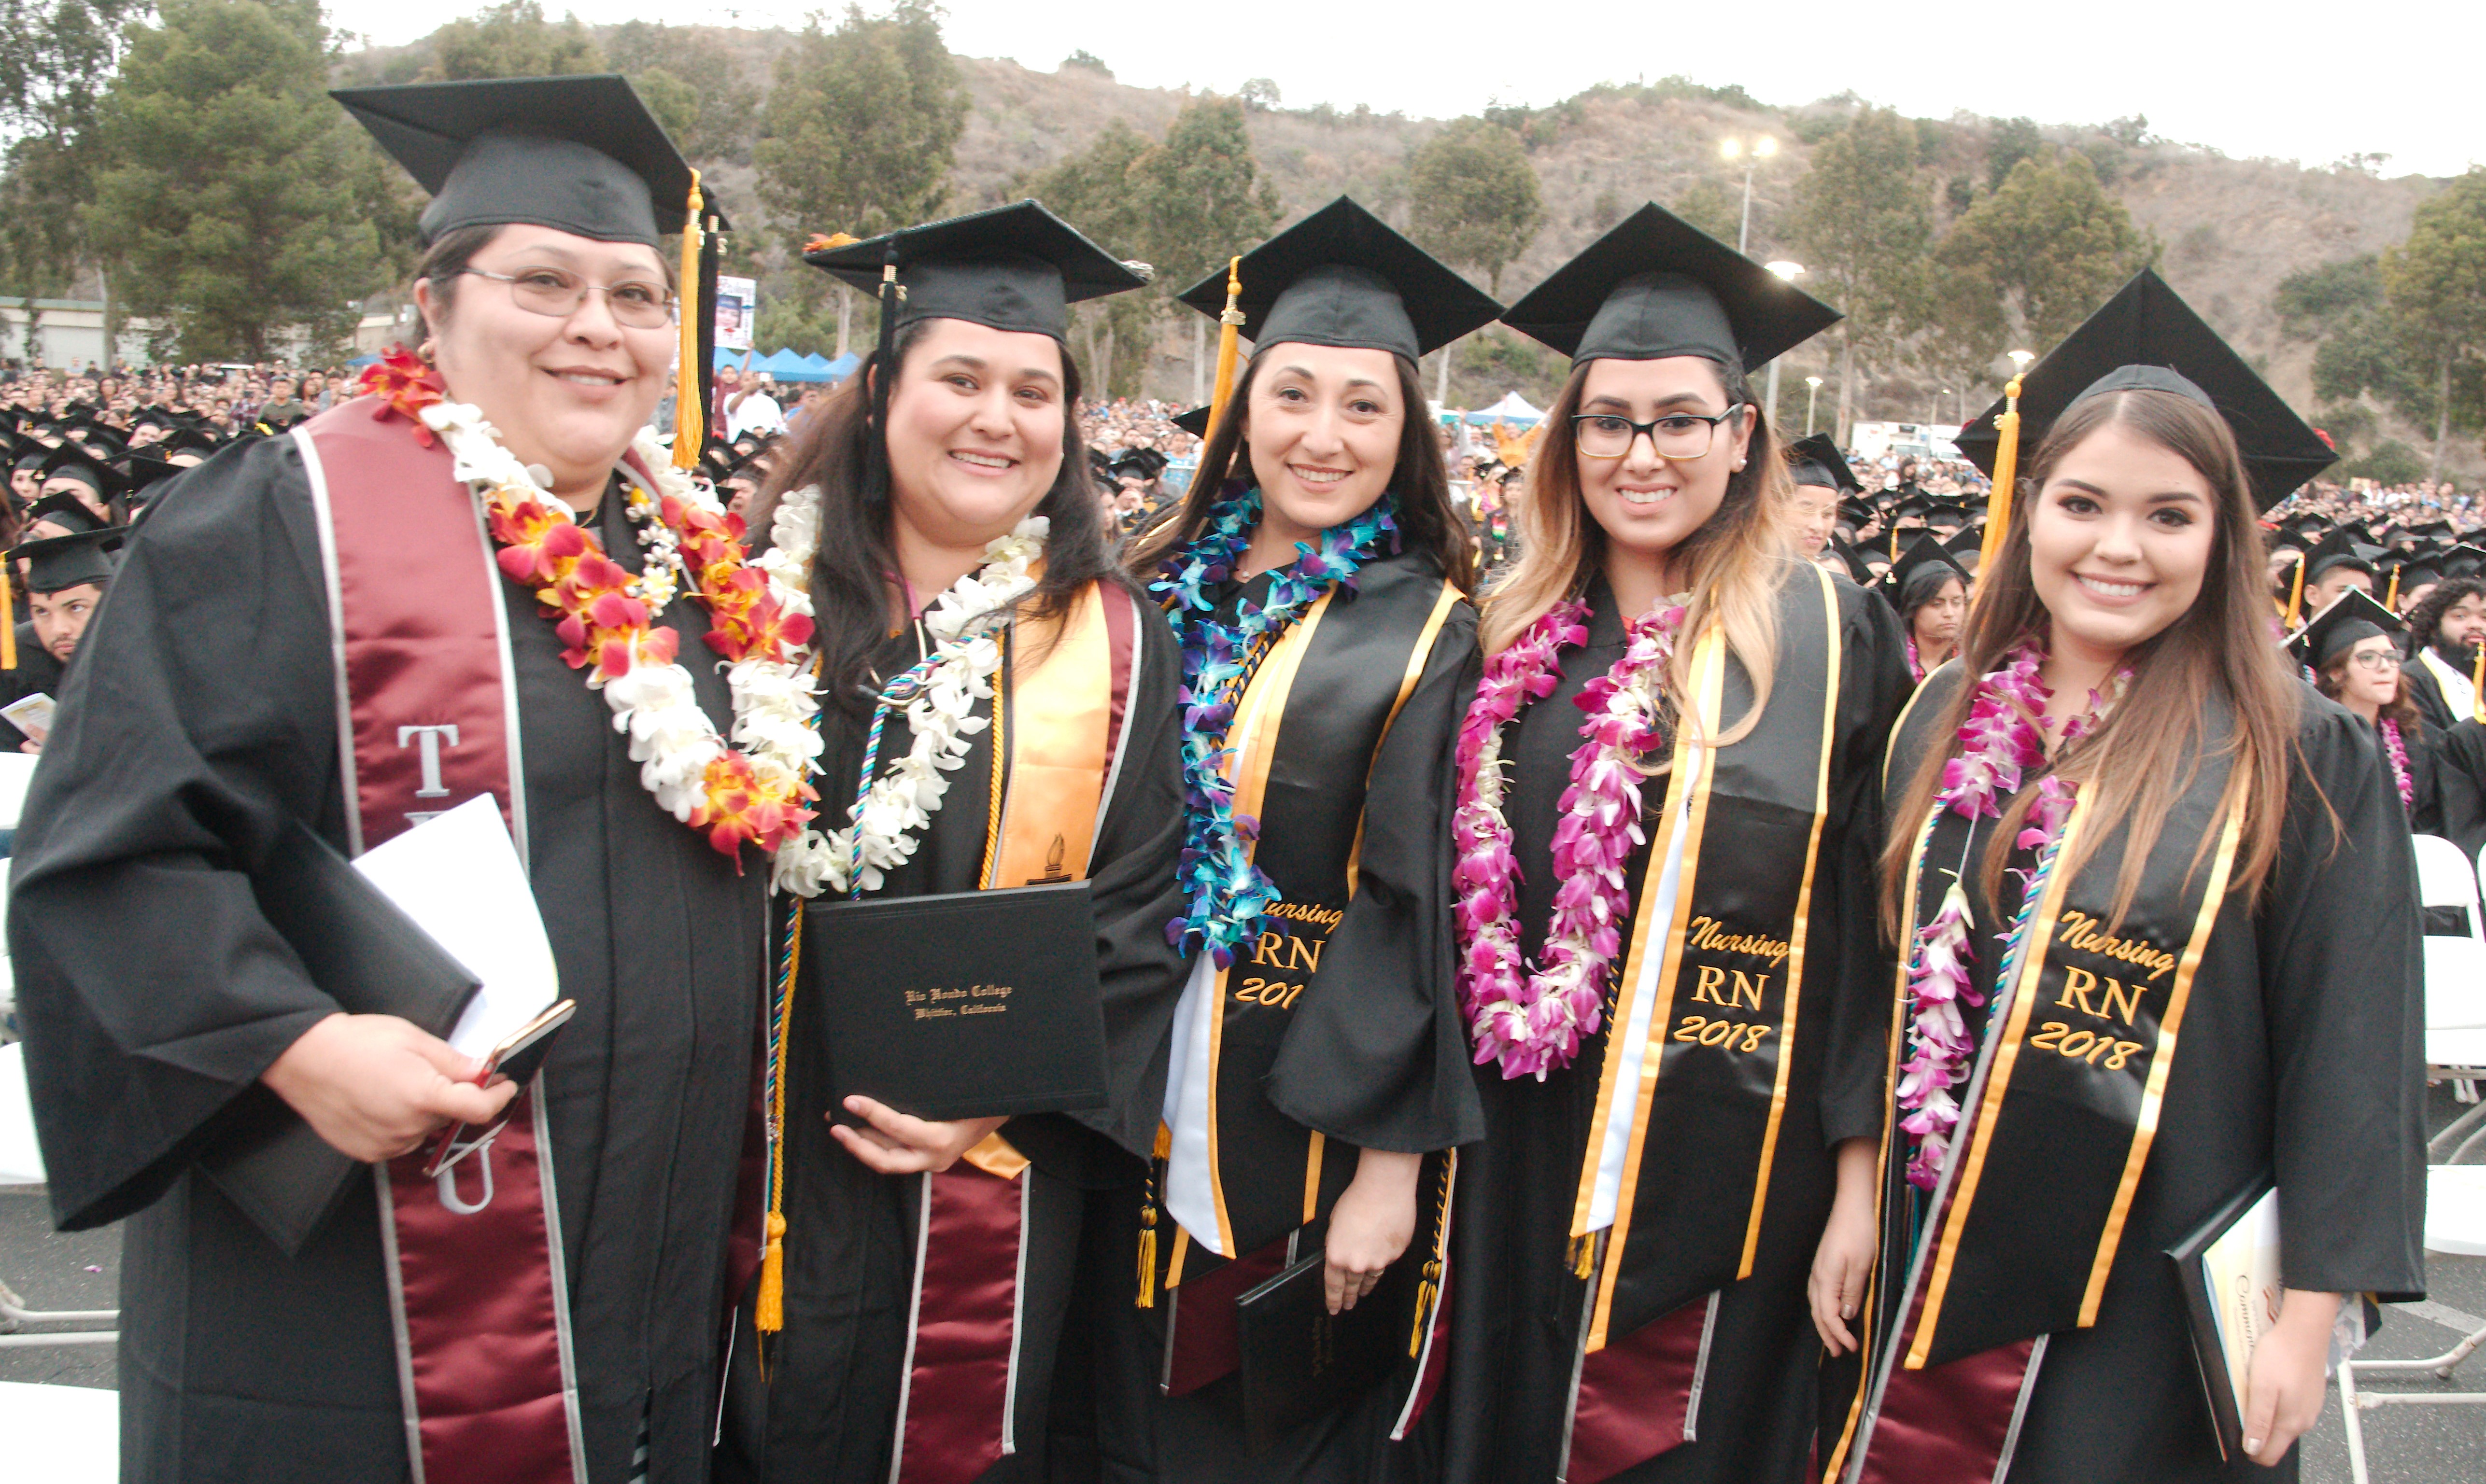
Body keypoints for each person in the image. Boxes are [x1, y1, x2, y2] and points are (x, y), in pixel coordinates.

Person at [10, 74, 777, 1483]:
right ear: (433, 302)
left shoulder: (697, 574)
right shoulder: (282, 521)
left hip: (650, 1293)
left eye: (635, 293)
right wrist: (289, 1044)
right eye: (545, 281)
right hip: (365, 1294)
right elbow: (104, 861)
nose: (597, 327)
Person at [1823, 268, 2423, 1484]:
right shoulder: (1939, 716)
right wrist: (1849, 1195)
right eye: (2083, 504)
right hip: (1926, 1243)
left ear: (2223, 535)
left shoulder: (2301, 750)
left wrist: (2304, 1320)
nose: (2116, 547)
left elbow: (2351, 1046)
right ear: (2028, 511)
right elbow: (1868, 968)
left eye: (2167, 515)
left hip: (2152, 1277)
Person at [1430, 203, 1910, 1484]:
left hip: (1734, 1168)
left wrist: (1860, 1182)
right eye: (1607, 420)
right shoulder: (1505, 640)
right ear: (1568, 437)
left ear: (1742, 434)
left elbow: (1882, 936)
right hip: (1509, 1157)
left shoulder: (1826, 635)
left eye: (1679, 420)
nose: (1640, 454)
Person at [715, 200, 1188, 1484]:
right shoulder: (740, 602)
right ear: (879, 395)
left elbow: (1141, 917)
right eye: (961, 379)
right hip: (725, 1163)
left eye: (1035, 390)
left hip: (982, 1175)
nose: (998, 417)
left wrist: (1001, 1085)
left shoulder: (1116, 649)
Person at [1098, 196, 1494, 1482]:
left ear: (1406, 429)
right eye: (1294, 396)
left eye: (1363, 405)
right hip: (1113, 1089)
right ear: (1244, 408)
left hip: (1298, 1119)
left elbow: (1412, 908)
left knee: (1249, 1430)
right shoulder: (1152, 590)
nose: (1322, 436)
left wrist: (1388, 1169)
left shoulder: (1427, 630)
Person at [2290, 589, 2438, 832]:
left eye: (2392, 657)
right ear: (2337, 672)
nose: (2385, 668)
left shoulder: (2414, 741)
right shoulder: (2313, 742)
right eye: (2368, 658)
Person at [2395, 574, 2486, 730]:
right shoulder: (2410, 681)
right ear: (2433, 627)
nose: (2476, 625)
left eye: (2484, 617)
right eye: (2460, 616)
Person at [1878, 533, 1971, 683]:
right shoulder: (1889, 663)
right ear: (1913, 608)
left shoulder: (1975, 661)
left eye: (1957, 602)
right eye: (1937, 604)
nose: (1949, 613)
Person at [1782, 432, 1855, 559]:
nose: (1818, 526)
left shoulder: (1831, 577)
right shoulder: (1744, 574)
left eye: (1828, 514)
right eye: (1807, 511)